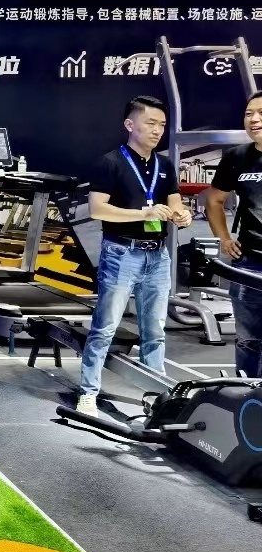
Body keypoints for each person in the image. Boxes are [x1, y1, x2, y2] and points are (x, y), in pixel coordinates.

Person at [76, 95, 192, 416]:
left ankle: (156, 396)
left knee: (155, 331)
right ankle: (88, 392)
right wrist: (143, 213)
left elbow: (175, 203)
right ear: (130, 124)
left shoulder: (165, 165)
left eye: (162, 125)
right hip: (121, 253)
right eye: (150, 123)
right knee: (105, 328)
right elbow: (97, 209)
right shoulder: (110, 162)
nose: (157, 131)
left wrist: (182, 216)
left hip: (158, 256)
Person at [206, 91, 262, 378]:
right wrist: (224, 238)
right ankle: (247, 398)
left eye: (261, 113)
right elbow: (214, 200)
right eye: (249, 113)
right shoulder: (236, 157)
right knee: (249, 339)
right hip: (249, 264)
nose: (254, 119)